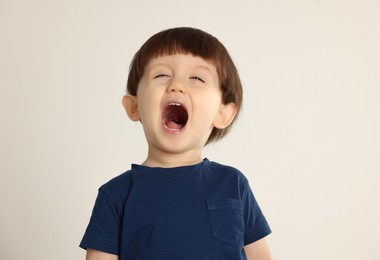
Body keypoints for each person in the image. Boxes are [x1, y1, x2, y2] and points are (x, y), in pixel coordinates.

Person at [80, 27, 273, 260]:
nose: (177, 85)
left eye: (197, 78)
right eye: (162, 75)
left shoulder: (233, 184)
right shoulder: (116, 195)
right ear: (134, 106)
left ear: (223, 113)